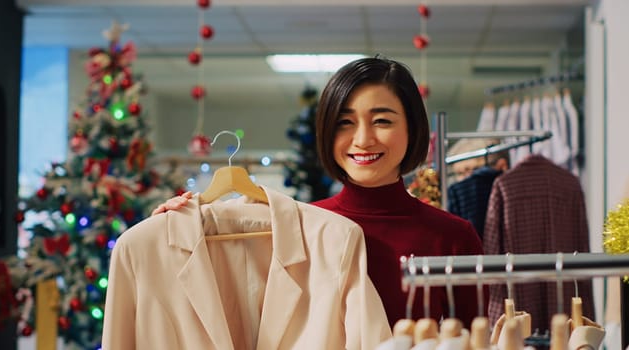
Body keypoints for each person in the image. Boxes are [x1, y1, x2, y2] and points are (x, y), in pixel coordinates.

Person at [151, 57, 486, 330]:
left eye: (382, 121)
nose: (363, 139)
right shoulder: (293, 226)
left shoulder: (453, 237)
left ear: (412, 128)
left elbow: (477, 339)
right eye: (345, 122)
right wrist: (178, 228)